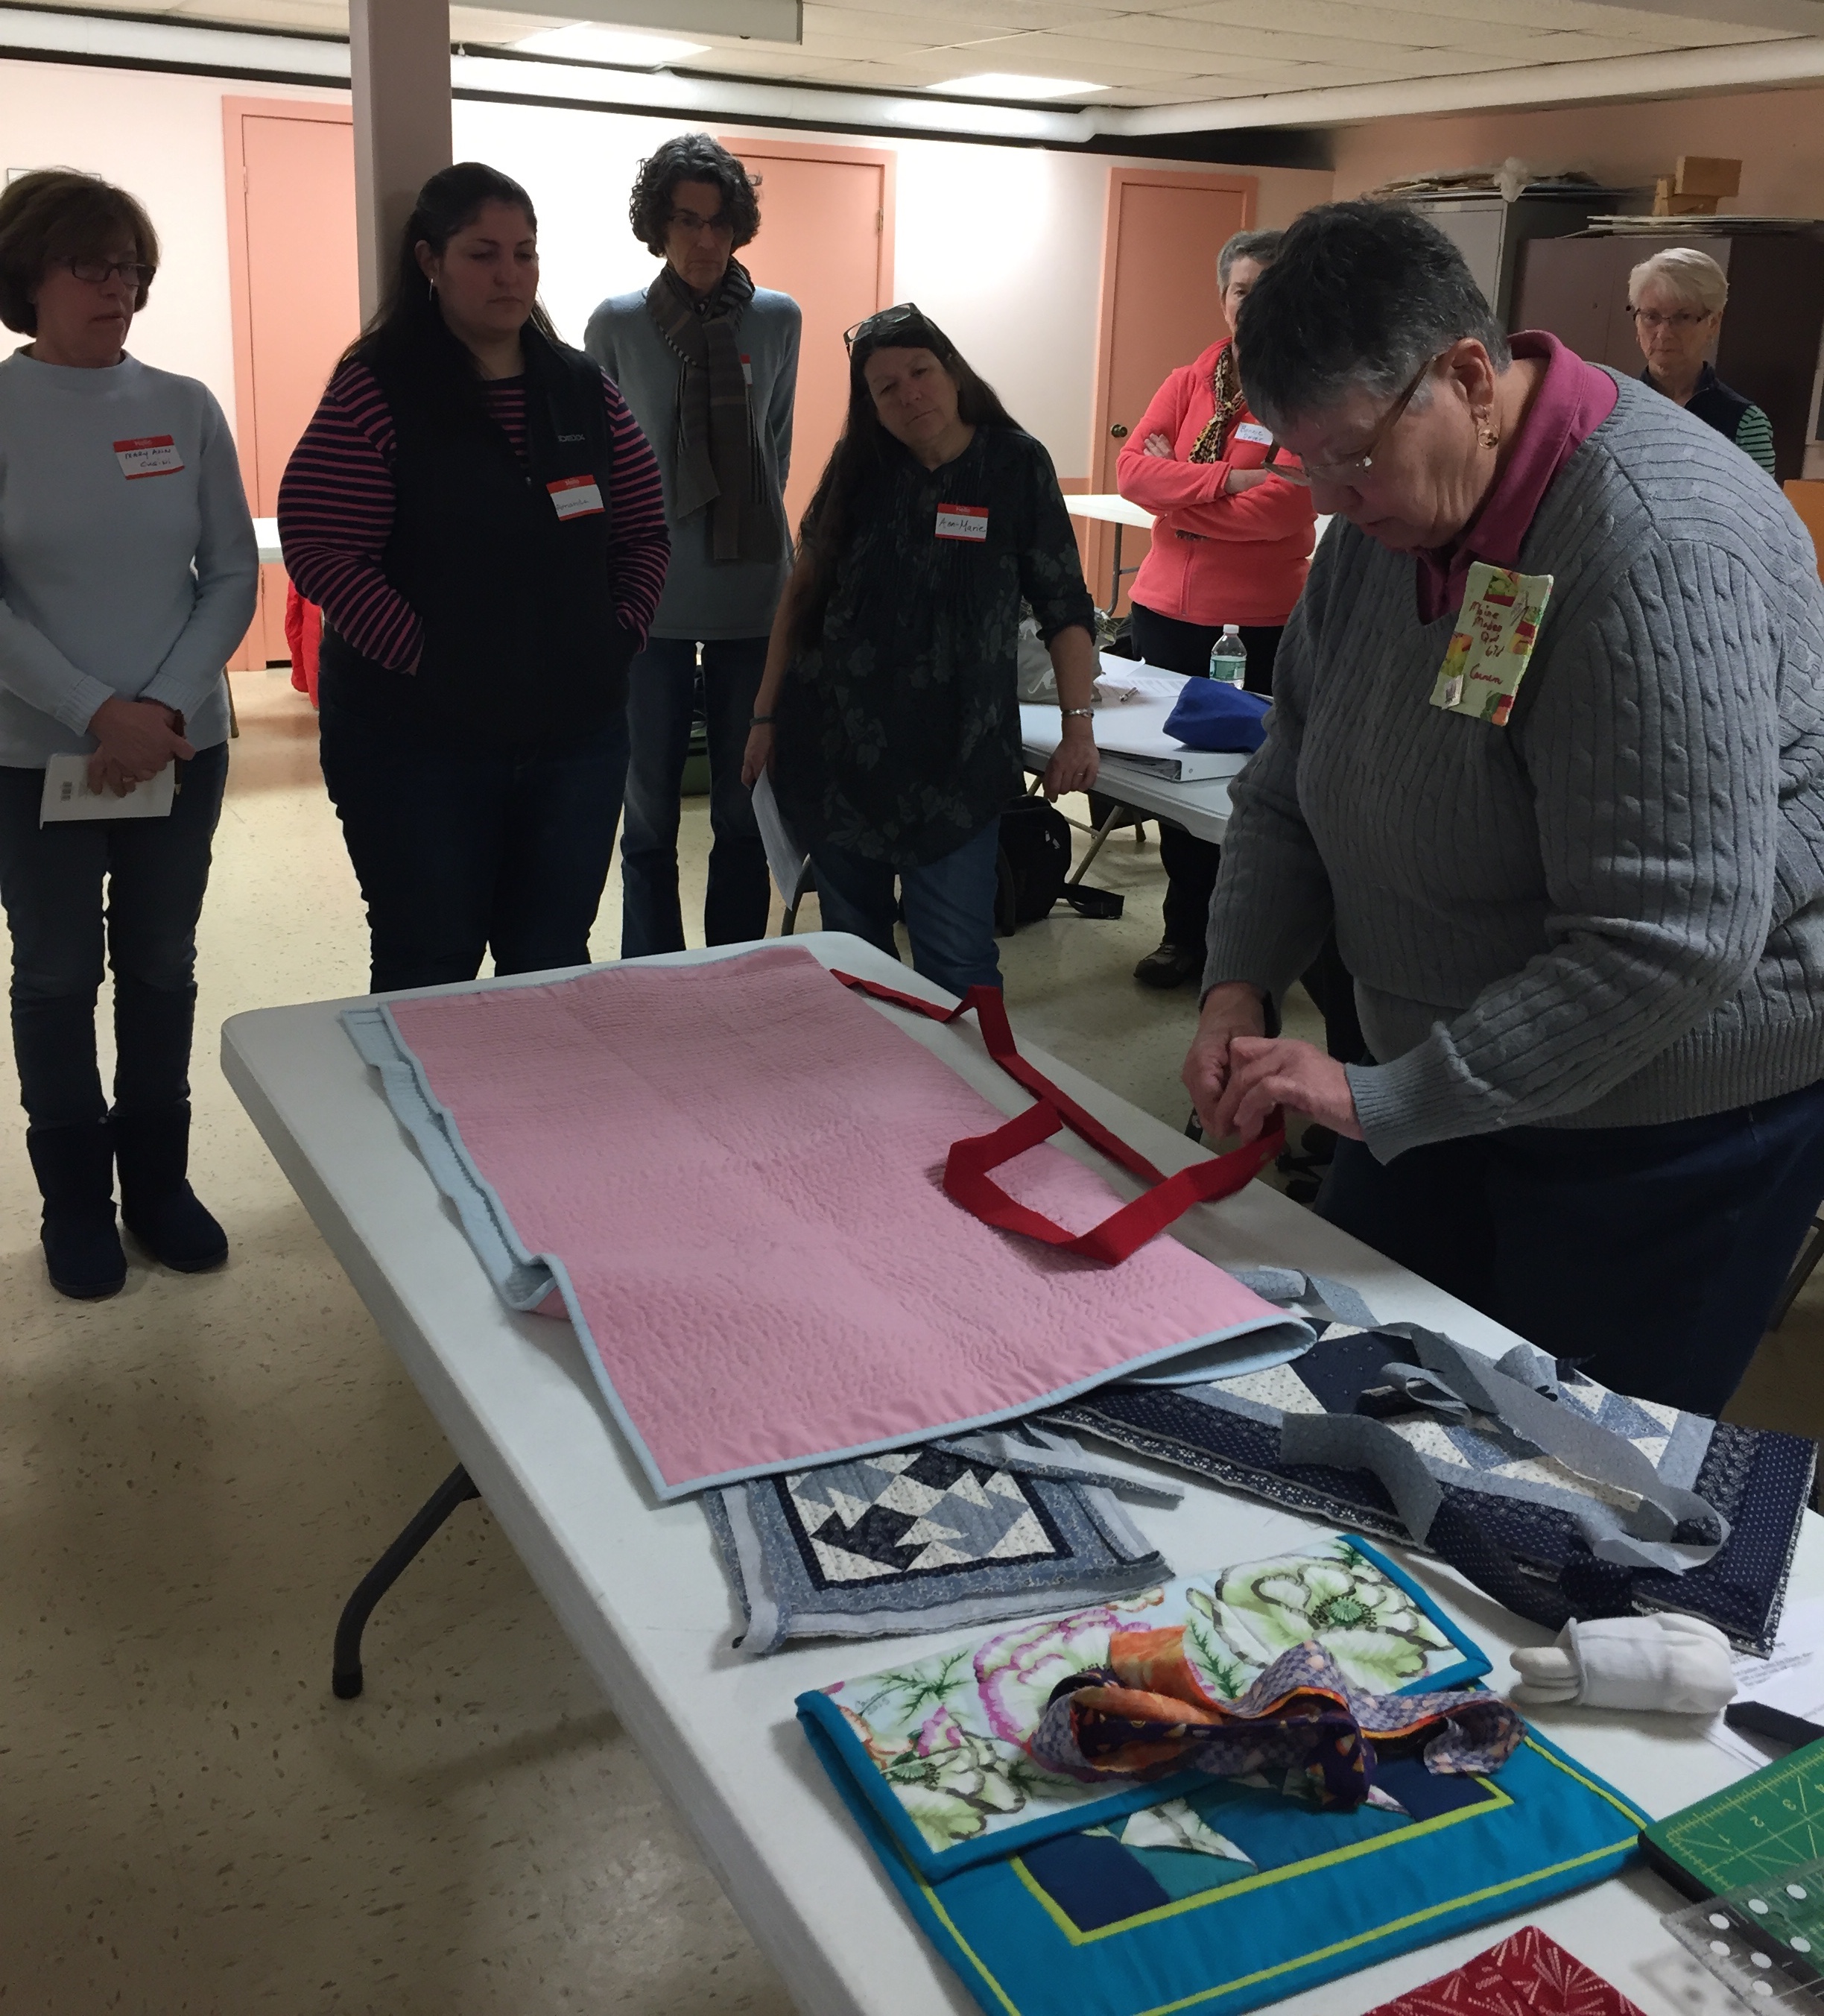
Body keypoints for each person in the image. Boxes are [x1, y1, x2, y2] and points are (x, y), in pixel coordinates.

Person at [1182, 200, 1824, 1418]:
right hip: (1448, 1070)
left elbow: (1666, 940)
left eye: (1350, 458)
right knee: (1357, 1390)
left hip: (1659, 1120)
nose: (1330, 500)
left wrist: (1383, 1098)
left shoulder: (1653, 543)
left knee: (1555, 1467)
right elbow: (1289, 774)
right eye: (1304, 463)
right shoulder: (1395, 507)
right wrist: (1238, 982)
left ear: (1469, 380)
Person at [279, 162, 669, 993]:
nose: (510, 274)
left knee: (550, 962)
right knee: (431, 963)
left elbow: (643, 529)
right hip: (418, 742)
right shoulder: (378, 389)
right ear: (430, 261)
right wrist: (428, 656)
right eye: (483, 254)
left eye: (525, 254)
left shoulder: (582, 389)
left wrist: (617, 634)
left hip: (574, 736)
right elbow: (321, 545)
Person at [0, 169, 257, 1298]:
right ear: (29, 277)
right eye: (92, 266)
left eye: (132, 268)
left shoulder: (184, 406)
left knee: (161, 964)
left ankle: (159, 1183)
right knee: (57, 977)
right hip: (32, 756)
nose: (119, 288)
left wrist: (158, 709)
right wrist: (96, 712)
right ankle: (75, 1204)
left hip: (179, 747)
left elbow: (233, 571)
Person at [741, 305, 1099, 996]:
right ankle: (870, 1071)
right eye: (886, 387)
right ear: (870, 406)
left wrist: (1077, 726)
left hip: (958, 764)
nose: (909, 394)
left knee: (958, 965)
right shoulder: (860, 468)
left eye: (920, 372)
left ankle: (964, 1074)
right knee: (857, 960)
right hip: (841, 756)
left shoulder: (1014, 465)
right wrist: (764, 715)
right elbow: (802, 595)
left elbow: (1065, 606)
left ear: (953, 372)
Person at [586, 134, 799, 958]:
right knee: (647, 814)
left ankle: (731, 971)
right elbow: (603, 461)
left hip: (753, 592)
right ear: (659, 225)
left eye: (718, 222)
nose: (704, 240)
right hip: (653, 595)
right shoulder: (616, 324)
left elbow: (775, 445)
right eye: (686, 220)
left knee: (744, 809)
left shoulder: (778, 318)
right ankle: (653, 974)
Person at [1115, 227, 1315, 991]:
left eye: (1267, 292)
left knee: (1251, 790)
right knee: (1173, 781)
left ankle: (1253, 950)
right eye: (1241, 291)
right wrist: (1229, 483)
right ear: (1223, 297)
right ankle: (1184, 935)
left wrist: (1181, 493)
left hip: (1258, 619)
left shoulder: (1304, 388)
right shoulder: (1188, 380)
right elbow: (1132, 473)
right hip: (1165, 611)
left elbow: (1283, 507)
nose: (1251, 306)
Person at [1630, 246, 1776, 478]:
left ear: (1713, 323)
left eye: (1682, 317)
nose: (1663, 333)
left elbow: (1758, 502)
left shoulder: (1744, 424)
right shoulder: (1613, 408)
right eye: (1651, 316)